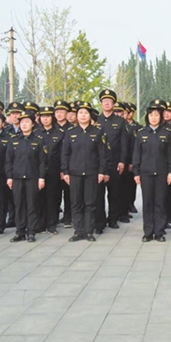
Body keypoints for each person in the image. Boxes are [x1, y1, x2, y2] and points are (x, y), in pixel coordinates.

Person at [61, 101, 110, 242]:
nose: (83, 115)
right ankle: (78, 231)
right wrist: (65, 172)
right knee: (76, 203)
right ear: (76, 116)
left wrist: (101, 171)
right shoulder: (70, 132)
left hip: (92, 173)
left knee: (90, 203)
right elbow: (65, 154)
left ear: (90, 116)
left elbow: (102, 154)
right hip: (74, 173)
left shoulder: (97, 132)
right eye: (80, 113)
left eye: (86, 113)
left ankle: (89, 231)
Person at [133, 100, 171, 242]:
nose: (153, 118)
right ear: (147, 117)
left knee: (160, 202)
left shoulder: (167, 133)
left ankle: (159, 232)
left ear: (161, 117)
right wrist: (136, 173)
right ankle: (148, 232)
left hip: (162, 174)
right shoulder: (141, 133)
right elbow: (137, 155)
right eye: (151, 115)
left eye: (156, 115)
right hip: (145, 173)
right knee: (147, 203)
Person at [5, 113, 48, 243]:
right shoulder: (14, 140)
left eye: (27, 122)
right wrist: (9, 177)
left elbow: (43, 161)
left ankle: (31, 232)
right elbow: (8, 161)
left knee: (32, 205)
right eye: (22, 122)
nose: (24, 124)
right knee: (19, 205)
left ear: (32, 124)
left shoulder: (39, 140)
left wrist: (41, 178)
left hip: (32, 177)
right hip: (17, 178)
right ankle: (20, 232)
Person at [96, 89, 129, 230]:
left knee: (114, 193)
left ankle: (113, 219)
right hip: (98, 163)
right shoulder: (96, 120)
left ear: (114, 104)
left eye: (109, 101)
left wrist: (122, 161)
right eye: (104, 101)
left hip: (114, 161)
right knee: (98, 194)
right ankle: (100, 221)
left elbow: (124, 144)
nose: (106, 103)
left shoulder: (120, 122)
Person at [37, 106, 64, 234]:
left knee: (53, 197)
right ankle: (40, 224)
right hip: (38, 171)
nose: (45, 119)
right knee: (39, 197)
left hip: (54, 170)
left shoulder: (59, 133)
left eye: (48, 116)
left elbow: (63, 153)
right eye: (43, 116)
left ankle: (52, 224)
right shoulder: (36, 133)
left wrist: (63, 169)